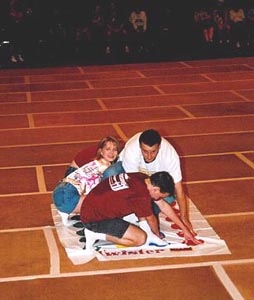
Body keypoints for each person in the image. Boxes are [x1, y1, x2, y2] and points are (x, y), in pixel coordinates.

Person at [103, 129, 194, 234]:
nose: (149, 156)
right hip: (130, 177)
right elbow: (133, 185)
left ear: (159, 147)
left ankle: (133, 214)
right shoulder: (132, 150)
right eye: (145, 151)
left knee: (168, 195)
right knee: (110, 173)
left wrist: (184, 218)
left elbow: (179, 190)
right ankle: (106, 211)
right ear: (140, 147)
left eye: (153, 152)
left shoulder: (170, 155)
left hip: (153, 185)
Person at [80, 171, 201, 249]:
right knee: (140, 239)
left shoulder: (142, 177)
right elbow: (152, 219)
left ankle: (97, 229)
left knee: (141, 212)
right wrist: (156, 235)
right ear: (156, 189)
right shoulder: (142, 193)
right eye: (160, 196)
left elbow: (163, 206)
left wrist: (184, 229)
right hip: (94, 219)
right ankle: (95, 234)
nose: (159, 199)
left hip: (91, 207)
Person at [53, 136, 120, 225]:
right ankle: (90, 224)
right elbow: (92, 191)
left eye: (114, 149)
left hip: (58, 192)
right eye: (108, 149)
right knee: (102, 200)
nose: (112, 152)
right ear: (101, 151)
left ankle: (65, 211)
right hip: (67, 198)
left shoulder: (94, 162)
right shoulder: (104, 168)